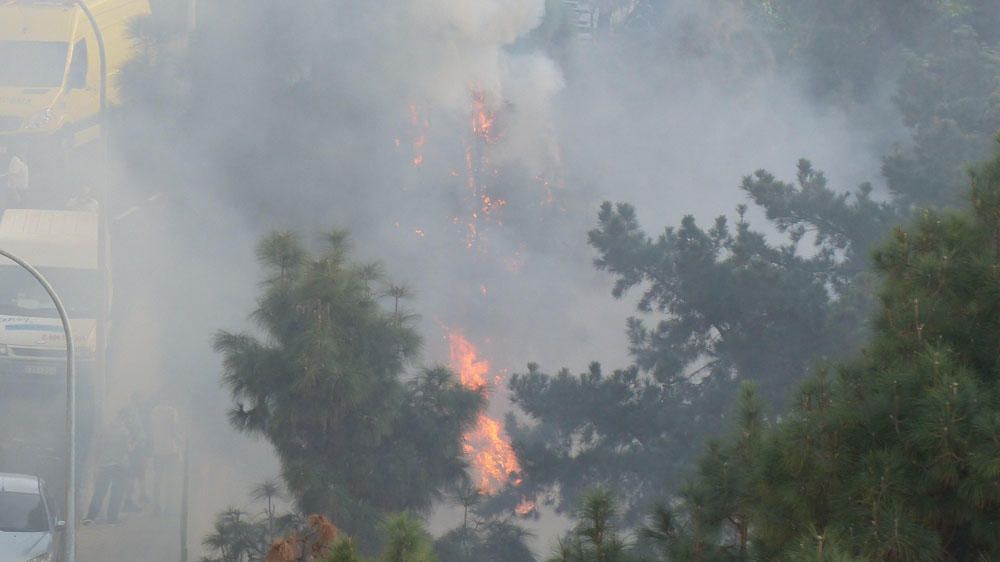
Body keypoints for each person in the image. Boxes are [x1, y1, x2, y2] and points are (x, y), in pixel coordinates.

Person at [84, 412, 131, 525]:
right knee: (116, 493)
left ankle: (90, 517)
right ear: (122, 419)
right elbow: (126, 449)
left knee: (99, 493)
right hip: (119, 466)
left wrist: (96, 464)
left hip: (104, 466)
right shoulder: (124, 431)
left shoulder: (105, 431)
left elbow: (98, 448)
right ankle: (112, 519)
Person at [149, 398, 181, 515]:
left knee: (157, 479)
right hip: (170, 449)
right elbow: (174, 430)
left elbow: (152, 428)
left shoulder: (154, 411)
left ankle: (156, 506)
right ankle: (169, 506)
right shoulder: (172, 411)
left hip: (157, 449)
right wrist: (181, 442)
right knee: (170, 479)